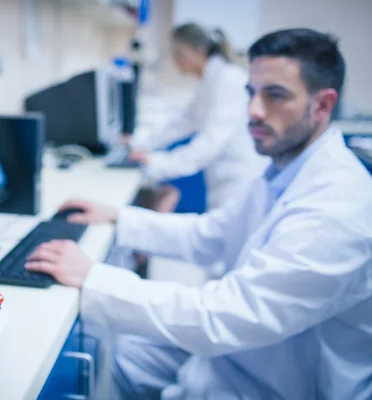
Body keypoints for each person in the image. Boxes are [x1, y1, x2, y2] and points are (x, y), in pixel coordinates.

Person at [26, 28, 372, 399]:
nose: (253, 111)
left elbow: (223, 316)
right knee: (115, 350)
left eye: (275, 95)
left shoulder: (336, 211)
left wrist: (94, 277)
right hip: (247, 357)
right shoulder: (286, 170)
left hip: (278, 385)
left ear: (322, 106)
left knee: (103, 356)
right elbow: (211, 234)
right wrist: (120, 218)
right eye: (251, 93)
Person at [128, 23, 268, 212]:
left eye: (179, 53)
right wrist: (138, 143)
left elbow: (209, 143)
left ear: (199, 50)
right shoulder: (212, 80)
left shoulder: (229, 79)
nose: (175, 61)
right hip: (223, 179)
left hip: (237, 180)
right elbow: (183, 122)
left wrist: (157, 162)